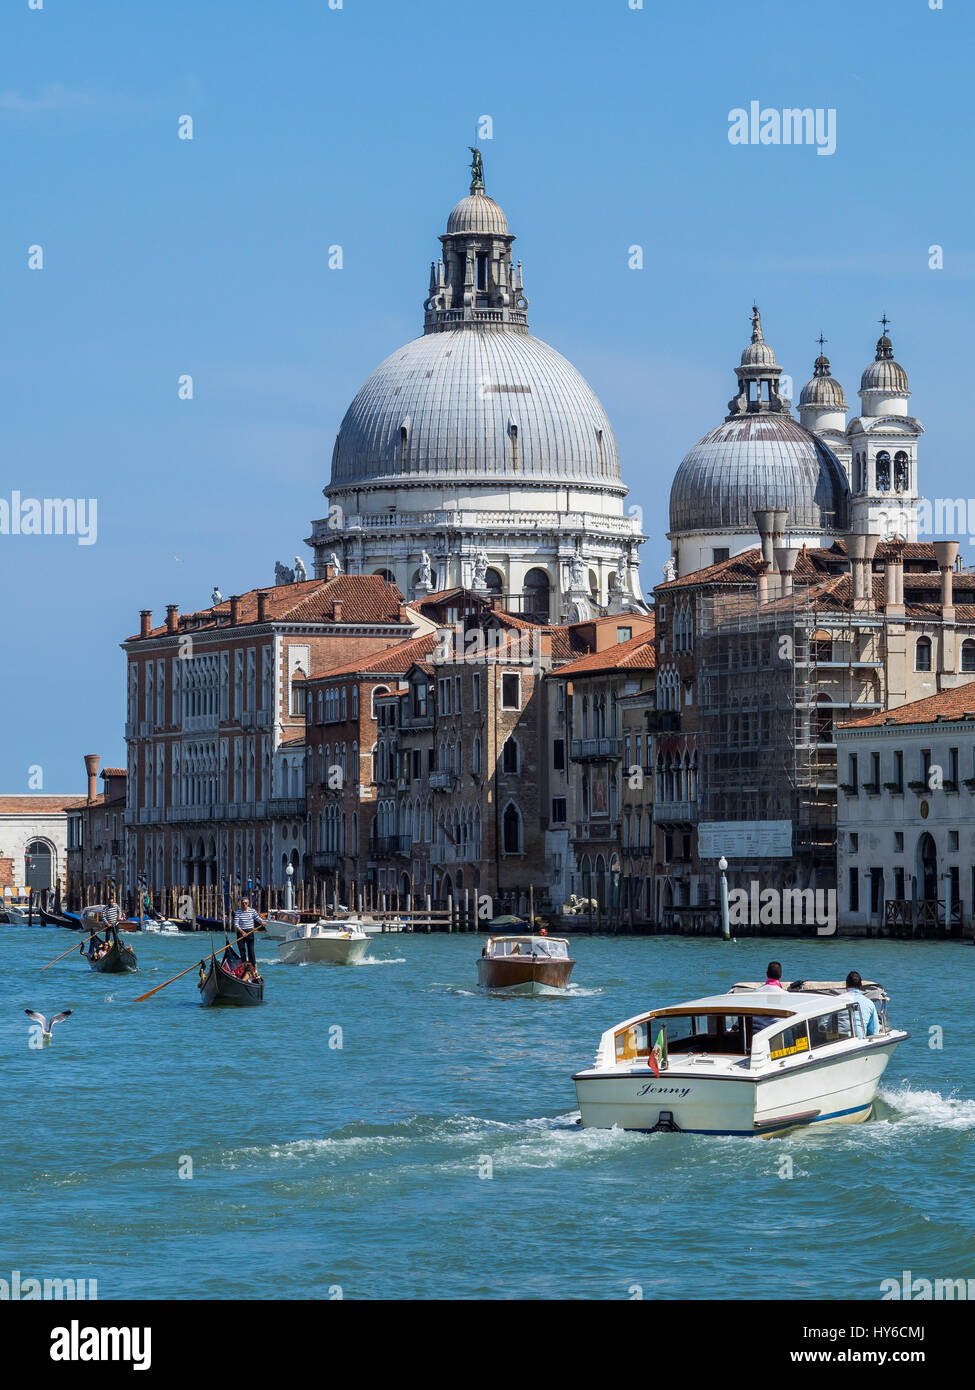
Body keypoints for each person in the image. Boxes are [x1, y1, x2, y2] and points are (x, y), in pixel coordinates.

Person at [845, 970, 879, 1037]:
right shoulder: (869, 1003)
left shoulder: (837, 1001)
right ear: (860, 985)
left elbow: (827, 1027)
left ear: (846, 985)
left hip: (837, 1041)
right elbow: (874, 1030)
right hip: (859, 1041)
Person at [233, 897, 263, 965]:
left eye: (245, 903)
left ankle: (253, 966)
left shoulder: (252, 911)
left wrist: (262, 921)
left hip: (250, 932)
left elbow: (257, 918)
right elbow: (236, 924)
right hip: (241, 933)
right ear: (240, 904)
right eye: (243, 903)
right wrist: (242, 932)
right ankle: (244, 965)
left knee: (251, 950)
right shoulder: (238, 913)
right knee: (242, 950)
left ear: (248, 903)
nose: (244, 904)